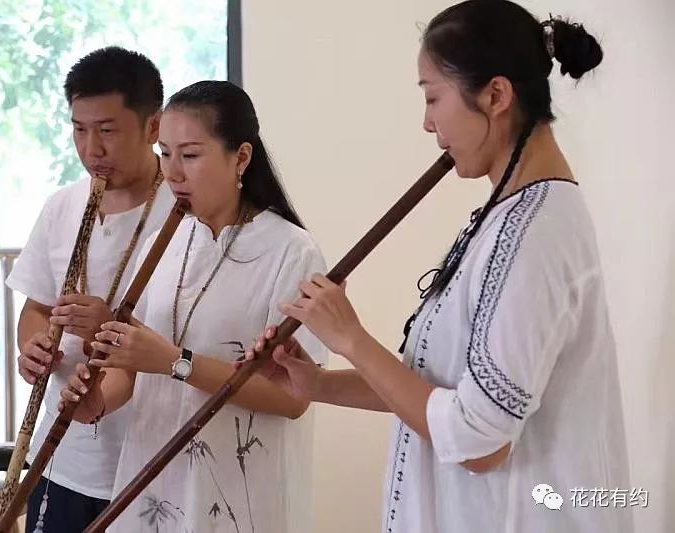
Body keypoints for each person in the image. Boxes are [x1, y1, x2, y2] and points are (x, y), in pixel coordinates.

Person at [244, 1, 632, 531]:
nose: (427, 123)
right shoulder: (506, 217)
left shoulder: (537, 233)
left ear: (496, 95)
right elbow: (439, 391)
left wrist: (350, 337)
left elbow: (479, 442)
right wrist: (317, 384)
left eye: (433, 97)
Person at [62, 80, 328, 533]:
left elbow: (293, 398)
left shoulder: (291, 251)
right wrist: (96, 400)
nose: (173, 173)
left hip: (236, 490)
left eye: (190, 155)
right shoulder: (162, 240)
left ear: (241, 157)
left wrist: (175, 363)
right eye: (165, 154)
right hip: (151, 481)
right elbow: (134, 365)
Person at [6, 46, 175, 532]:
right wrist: (32, 345)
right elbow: (37, 307)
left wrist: (111, 325)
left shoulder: (183, 213)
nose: (91, 149)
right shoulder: (63, 205)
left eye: (107, 130)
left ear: (152, 127)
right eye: (79, 130)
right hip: (62, 456)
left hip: (147, 459)